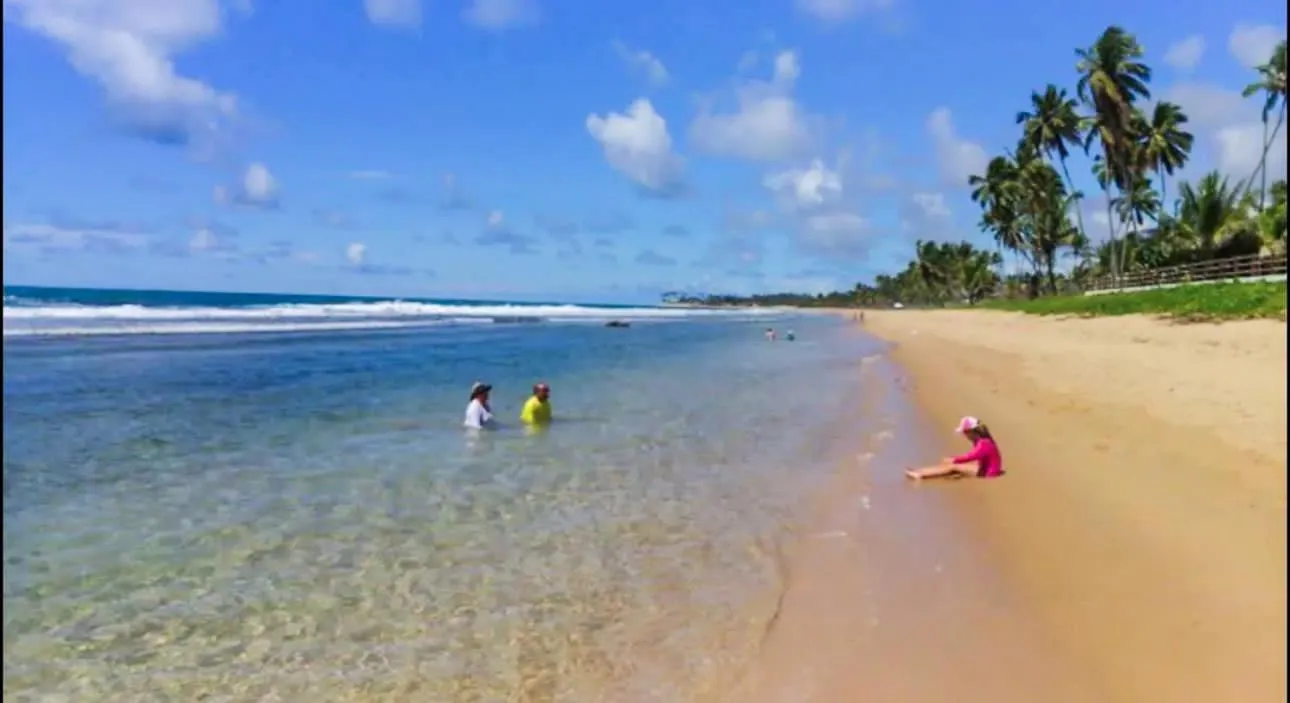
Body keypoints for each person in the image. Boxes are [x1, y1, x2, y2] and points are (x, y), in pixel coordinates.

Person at [905, 416, 1004, 480]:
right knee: (955, 465)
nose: (964, 435)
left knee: (953, 466)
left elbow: (971, 456)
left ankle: (920, 474)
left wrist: (954, 459)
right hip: (988, 469)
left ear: (971, 432)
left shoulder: (983, 443)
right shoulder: (983, 439)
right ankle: (921, 471)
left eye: (965, 432)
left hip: (988, 473)